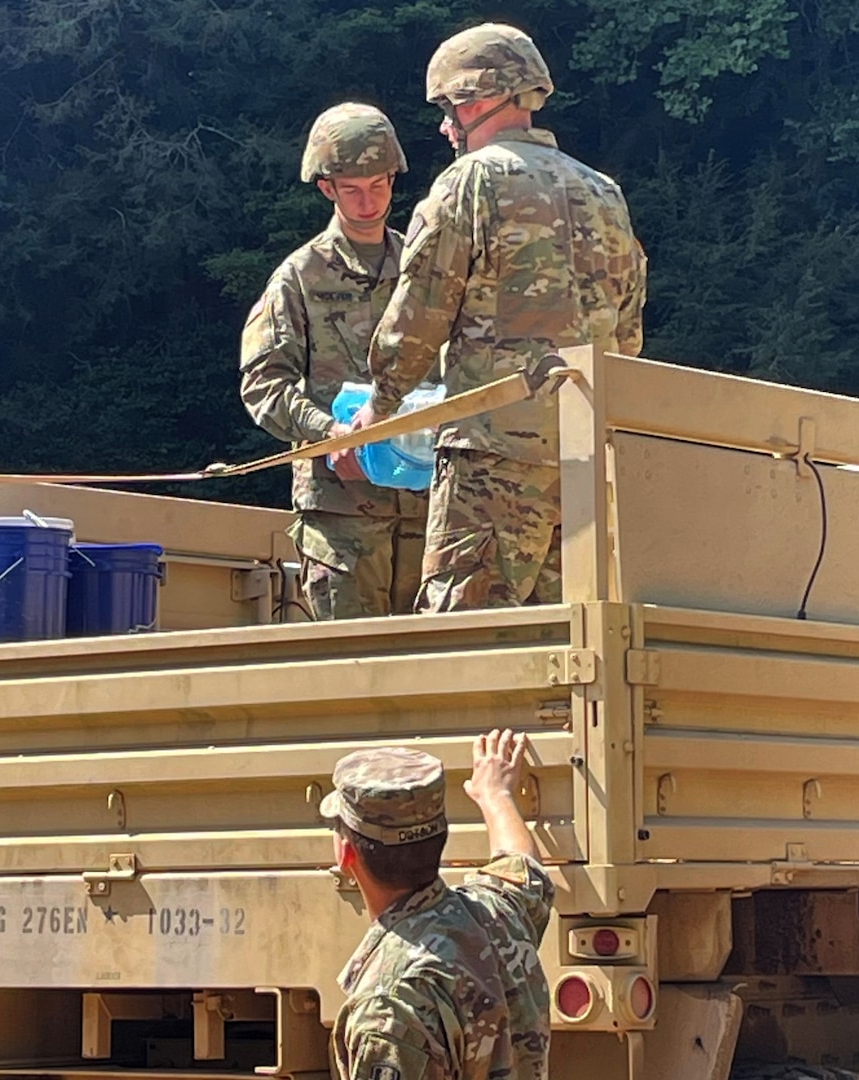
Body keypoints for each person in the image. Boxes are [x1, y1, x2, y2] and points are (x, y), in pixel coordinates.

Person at [337, 24, 647, 613]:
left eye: (449, 108)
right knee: (571, 643)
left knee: (464, 644)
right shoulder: (606, 194)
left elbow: (420, 314)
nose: (444, 125)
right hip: (586, 463)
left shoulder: (470, 182)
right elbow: (627, 333)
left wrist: (378, 411)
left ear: (478, 99)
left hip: (491, 458)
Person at [239, 103, 428, 620]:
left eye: (379, 186)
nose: (368, 202)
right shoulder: (300, 276)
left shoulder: (423, 268)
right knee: (356, 669)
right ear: (327, 188)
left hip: (425, 504)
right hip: (340, 513)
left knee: (439, 664)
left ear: (393, 178)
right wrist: (328, 433)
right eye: (352, 189)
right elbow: (263, 384)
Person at [321, 730, 554, 1080]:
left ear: (345, 853)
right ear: (440, 836)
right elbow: (523, 869)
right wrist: (496, 795)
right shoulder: (495, 916)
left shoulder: (388, 1009)